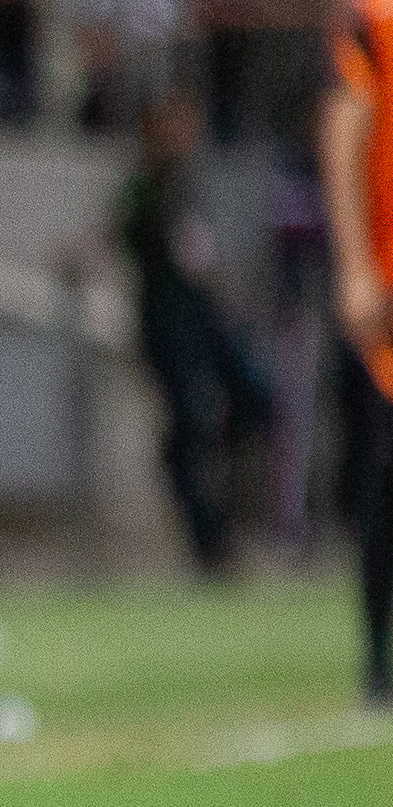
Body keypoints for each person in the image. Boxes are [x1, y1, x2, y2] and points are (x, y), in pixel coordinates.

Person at [117, 88, 271, 577]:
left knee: (253, 400)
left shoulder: (184, 182)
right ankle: (211, 539)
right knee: (189, 427)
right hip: (170, 325)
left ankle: (222, 515)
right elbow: (139, 240)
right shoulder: (145, 188)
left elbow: (199, 254)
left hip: (204, 321)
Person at [318, 0, 393, 701]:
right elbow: (344, 127)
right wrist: (353, 264)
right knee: (381, 475)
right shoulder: (378, 7)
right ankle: (376, 657)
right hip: (388, 272)